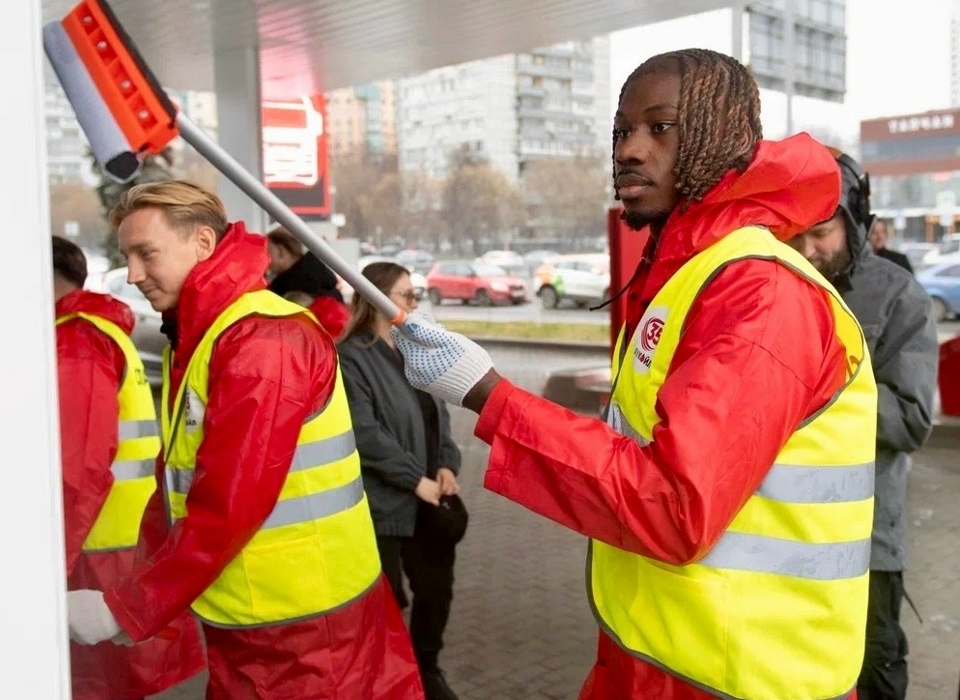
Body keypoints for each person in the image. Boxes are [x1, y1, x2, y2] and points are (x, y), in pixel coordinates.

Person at [390, 48, 879, 700]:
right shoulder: (693, 275)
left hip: (738, 679)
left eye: (660, 126)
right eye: (622, 130)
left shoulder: (758, 293)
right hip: (661, 660)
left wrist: (487, 393)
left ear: (725, 137)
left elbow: (674, 507)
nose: (629, 149)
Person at [65, 181, 423, 700]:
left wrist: (129, 605)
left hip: (304, 635)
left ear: (203, 244)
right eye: (127, 257)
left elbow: (227, 503)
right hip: (271, 625)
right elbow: (177, 490)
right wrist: (134, 596)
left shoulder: (260, 340)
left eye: (147, 253)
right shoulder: (204, 335)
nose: (134, 274)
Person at [787, 149, 938, 700]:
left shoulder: (900, 298)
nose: (806, 251)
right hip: (785, 536)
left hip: (867, 546)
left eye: (821, 233)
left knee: (871, 668)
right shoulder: (777, 289)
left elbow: (914, 422)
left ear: (856, 223)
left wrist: (823, 382)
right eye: (793, 234)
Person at [52, 236, 204, 700]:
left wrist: (52, 561)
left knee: (99, 686)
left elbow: (78, 470)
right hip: (121, 546)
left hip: (92, 556)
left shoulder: (77, 340)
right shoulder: (100, 332)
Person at [337, 262, 467, 700]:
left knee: (437, 592)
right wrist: (415, 480)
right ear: (376, 299)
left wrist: (447, 463)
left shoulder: (415, 348)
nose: (414, 304)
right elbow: (365, 431)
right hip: (385, 507)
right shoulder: (352, 356)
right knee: (388, 600)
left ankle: (426, 668)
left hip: (430, 496)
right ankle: (390, 678)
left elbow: (438, 413)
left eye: (415, 295)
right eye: (406, 295)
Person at [266, 226, 351, 338]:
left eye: (268, 252)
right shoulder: (321, 280)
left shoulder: (284, 290)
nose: (266, 258)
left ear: (281, 252)